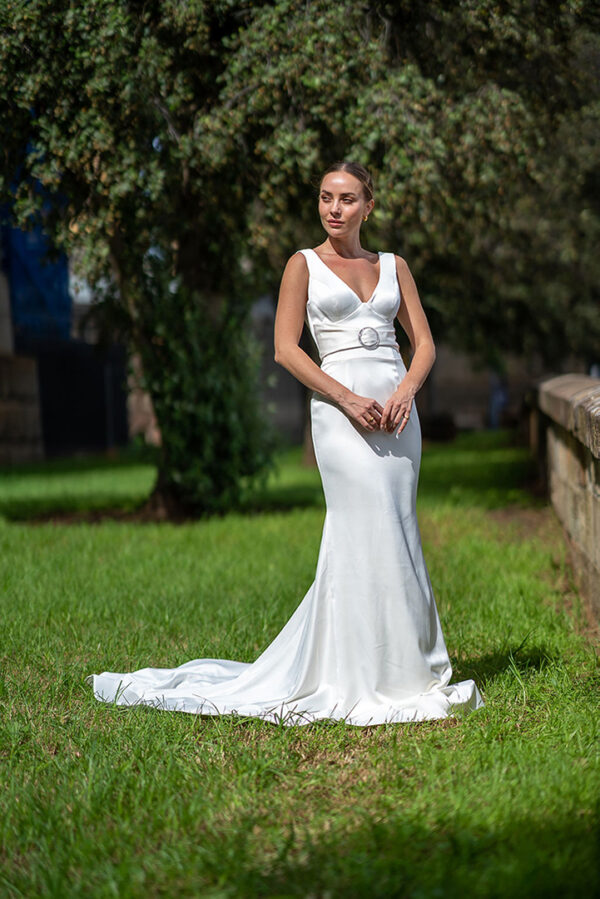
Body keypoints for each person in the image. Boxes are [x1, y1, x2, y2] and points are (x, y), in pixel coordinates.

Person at [87, 161, 483, 725]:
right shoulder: (302, 265)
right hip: (341, 417)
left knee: (397, 523)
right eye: (325, 198)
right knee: (357, 525)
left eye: (346, 199)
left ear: (369, 206)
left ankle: (407, 666)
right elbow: (286, 349)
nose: (334, 209)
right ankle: (354, 671)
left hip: (399, 417)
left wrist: (407, 391)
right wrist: (348, 400)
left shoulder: (396, 266)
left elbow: (424, 344)